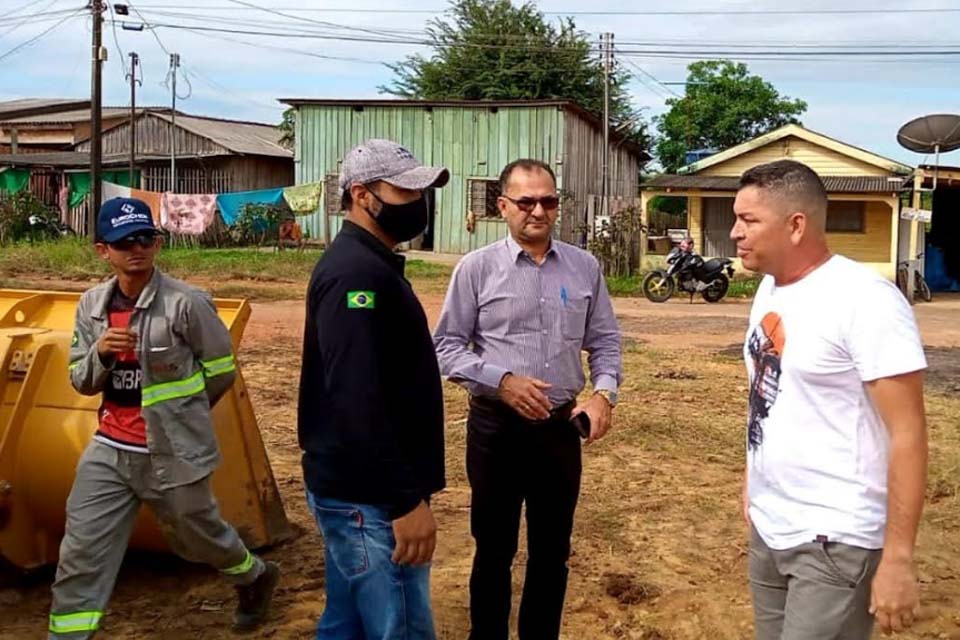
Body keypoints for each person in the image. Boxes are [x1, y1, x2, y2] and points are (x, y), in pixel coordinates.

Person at [50, 198, 279, 639]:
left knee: (199, 536)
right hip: (110, 450)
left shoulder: (186, 303)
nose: (137, 249)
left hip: (174, 450)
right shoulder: (91, 305)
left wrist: (184, 417)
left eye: (146, 239)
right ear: (103, 250)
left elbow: (221, 371)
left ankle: (254, 576)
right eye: (125, 242)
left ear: (157, 244)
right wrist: (101, 353)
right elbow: (81, 381)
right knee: (81, 552)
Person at [731, 160, 928, 639]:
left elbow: (909, 433)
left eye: (749, 220)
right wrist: (754, 478)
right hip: (771, 525)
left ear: (796, 225)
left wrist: (898, 557)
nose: (735, 232)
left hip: (835, 538)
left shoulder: (865, 300)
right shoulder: (770, 288)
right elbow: (770, 396)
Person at [433, 159, 623, 639]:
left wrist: (603, 395)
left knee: (552, 552)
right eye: (526, 201)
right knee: (494, 550)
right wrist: (501, 381)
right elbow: (446, 347)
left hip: (559, 431)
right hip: (496, 431)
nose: (538, 211)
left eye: (548, 201)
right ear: (502, 206)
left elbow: (604, 341)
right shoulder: (476, 269)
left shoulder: (584, 267)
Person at [298, 139, 450, 639]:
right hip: (371, 500)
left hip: (360, 491)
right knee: (399, 627)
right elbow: (355, 399)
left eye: (421, 192)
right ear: (362, 195)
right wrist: (404, 501)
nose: (418, 203)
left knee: (348, 624)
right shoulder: (355, 275)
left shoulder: (371, 264)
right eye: (405, 192)